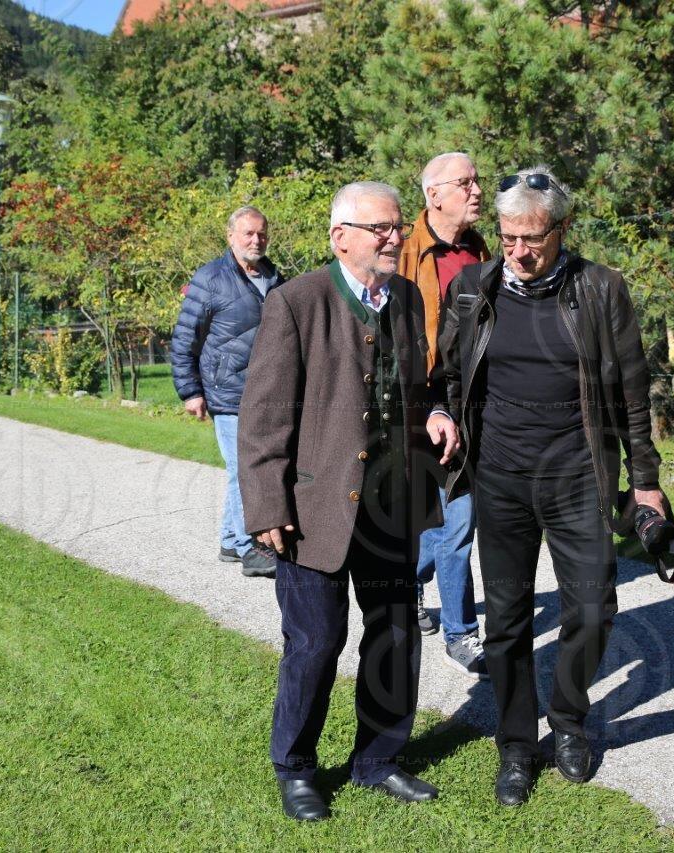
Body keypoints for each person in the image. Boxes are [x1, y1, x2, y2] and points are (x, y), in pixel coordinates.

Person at [435, 165, 667, 805]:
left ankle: (567, 719)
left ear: (561, 229)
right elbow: (450, 375)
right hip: (501, 479)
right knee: (507, 620)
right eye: (508, 237)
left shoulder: (600, 289)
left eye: (532, 238)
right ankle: (515, 744)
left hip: (577, 478)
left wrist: (645, 483)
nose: (518, 251)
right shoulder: (473, 287)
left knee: (593, 610)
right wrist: (443, 415)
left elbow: (632, 393)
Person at [238, 181, 460, 822]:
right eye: (380, 228)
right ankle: (296, 768)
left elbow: (418, 386)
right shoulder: (296, 302)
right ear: (341, 238)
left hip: (392, 507)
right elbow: (263, 415)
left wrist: (436, 412)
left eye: (397, 227)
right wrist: (266, 506)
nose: (395, 237)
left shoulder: (406, 299)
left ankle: (377, 760)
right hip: (314, 511)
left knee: (394, 637)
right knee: (315, 642)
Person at [398, 151, 491, 678]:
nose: (477, 190)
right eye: (465, 182)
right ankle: (460, 631)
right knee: (453, 521)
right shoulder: (407, 249)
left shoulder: (480, 248)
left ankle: (418, 586)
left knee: (451, 521)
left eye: (477, 181)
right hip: (424, 401)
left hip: (473, 403)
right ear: (434, 195)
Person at [171, 206, 285, 578]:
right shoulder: (211, 278)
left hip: (265, 392)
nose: (256, 240)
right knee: (245, 470)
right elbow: (184, 338)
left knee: (244, 469)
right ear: (230, 236)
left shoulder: (274, 278)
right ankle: (251, 548)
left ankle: (230, 540)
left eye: (262, 233)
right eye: (248, 233)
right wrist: (190, 391)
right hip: (227, 392)